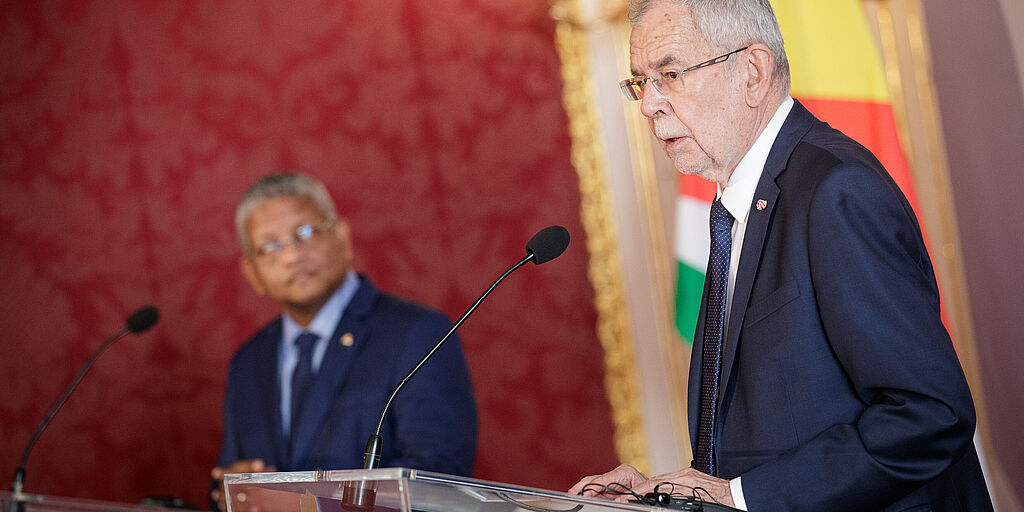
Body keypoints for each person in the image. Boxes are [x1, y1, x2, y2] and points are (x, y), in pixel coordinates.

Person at [570, 1, 992, 511]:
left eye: (671, 74)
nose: (648, 104)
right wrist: (671, 496)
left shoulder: (837, 190)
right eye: (641, 82)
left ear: (753, 71)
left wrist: (742, 496)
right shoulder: (737, 208)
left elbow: (930, 413)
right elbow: (776, 428)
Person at [210, 172, 476, 511]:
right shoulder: (249, 361)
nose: (292, 256)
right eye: (271, 246)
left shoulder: (417, 333)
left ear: (343, 237)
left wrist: (310, 505)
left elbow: (440, 480)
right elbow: (223, 486)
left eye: (305, 233)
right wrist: (234, 489)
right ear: (252, 273)